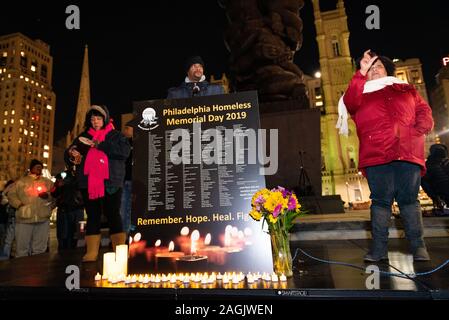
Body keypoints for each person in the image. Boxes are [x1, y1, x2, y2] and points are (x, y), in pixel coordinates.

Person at [338, 49, 434, 262]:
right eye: (369, 68)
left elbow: (423, 110)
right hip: (376, 154)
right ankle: (378, 249)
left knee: (409, 200)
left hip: (407, 152)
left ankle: (418, 247)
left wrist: (419, 129)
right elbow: (350, 103)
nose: (374, 70)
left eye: (378, 66)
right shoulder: (359, 93)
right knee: (380, 201)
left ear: (388, 70)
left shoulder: (406, 89)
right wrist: (360, 74)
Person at [65, 105, 130, 262]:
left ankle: (119, 250)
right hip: (88, 182)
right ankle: (92, 251)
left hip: (111, 181)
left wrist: (99, 144)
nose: (95, 122)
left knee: (113, 214)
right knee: (92, 216)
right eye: (92, 119)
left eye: (98, 118)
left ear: (105, 119)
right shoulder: (82, 136)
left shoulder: (116, 135)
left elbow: (124, 152)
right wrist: (72, 155)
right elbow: (69, 154)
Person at [7, 160, 54, 257]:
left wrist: (48, 197)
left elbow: (55, 196)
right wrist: (19, 205)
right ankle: (22, 268)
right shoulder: (21, 182)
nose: (39, 169)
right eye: (37, 167)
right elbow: (11, 195)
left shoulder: (47, 182)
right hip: (25, 218)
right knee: (22, 247)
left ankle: (38, 267)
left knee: (40, 247)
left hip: (42, 218)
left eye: (40, 167)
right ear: (31, 168)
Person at [52, 168, 84, 250]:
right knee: (64, 235)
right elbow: (54, 193)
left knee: (78, 233)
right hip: (64, 209)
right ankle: (63, 253)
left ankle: (74, 253)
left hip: (78, 209)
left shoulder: (84, 174)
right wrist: (58, 186)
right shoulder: (62, 175)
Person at [421, 143, 449, 208]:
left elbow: (425, 184)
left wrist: (435, 197)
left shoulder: (427, 166)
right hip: (442, 195)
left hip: (441, 195)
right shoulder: (428, 166)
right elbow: (426, 183)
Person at [119, 124, 133, 235]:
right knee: (123, 209)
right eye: (125, 128)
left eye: (128, 128)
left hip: (135, 180)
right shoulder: (121, 143)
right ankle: (124, 234)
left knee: (131, 209)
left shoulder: (139, 141)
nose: (125, 130)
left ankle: (130, 233)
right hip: (124, 180)